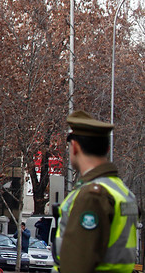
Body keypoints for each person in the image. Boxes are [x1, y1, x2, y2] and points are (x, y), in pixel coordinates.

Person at [52, 110, 139, 273]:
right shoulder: (121, 190)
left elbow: (78, 264)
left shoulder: (92, 195)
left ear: (75, 147)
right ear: (107, 148)